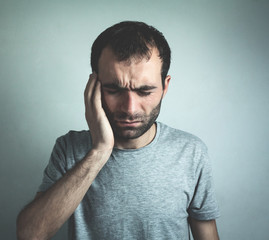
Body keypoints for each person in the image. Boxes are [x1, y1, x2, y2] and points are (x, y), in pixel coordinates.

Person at [17, 21, 220, 240]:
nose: (130, 109)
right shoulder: (69, 149)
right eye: (113, 89)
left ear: (165, 86)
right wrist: (100, 151)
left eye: (145, 91)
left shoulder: (191, 152)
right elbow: (29, 235)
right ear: (93, 86)